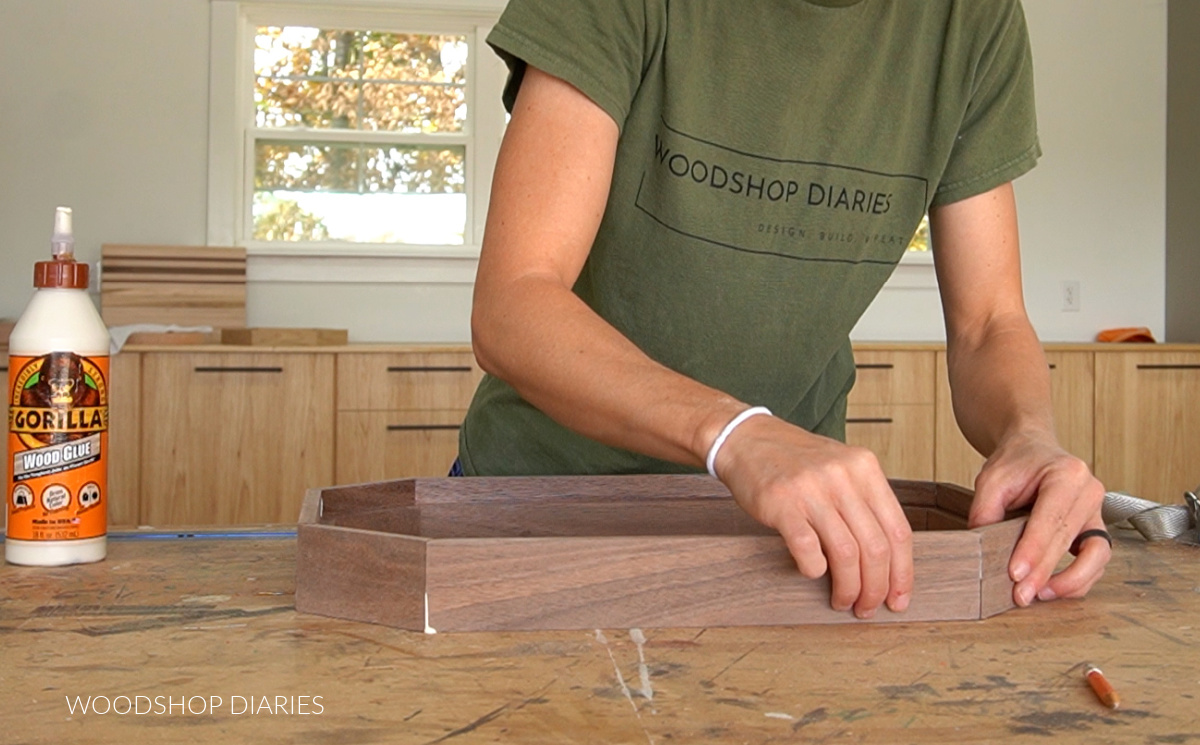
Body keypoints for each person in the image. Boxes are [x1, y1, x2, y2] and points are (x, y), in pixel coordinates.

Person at [457, 0, 1111, 619]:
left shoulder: (975, 19)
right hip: (540, 506)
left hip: (786, 538)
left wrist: (1028, 435)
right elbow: (515, 301)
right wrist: (736, 433)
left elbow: (989, 322)